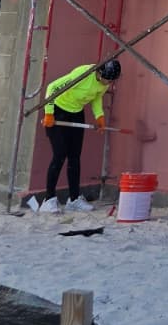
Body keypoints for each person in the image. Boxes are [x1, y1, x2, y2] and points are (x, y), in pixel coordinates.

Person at [26, 57, 121, 213]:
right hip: (58, 111)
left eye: (110, 81)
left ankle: (74, 199)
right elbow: (52, 88)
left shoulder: (105, 83)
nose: (107, 83)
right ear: (99, 73)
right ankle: (48, 200)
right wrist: (49, 113)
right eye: (106, 80)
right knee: (59, 155)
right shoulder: (83, 74)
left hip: (76, 113)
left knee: (75, 157)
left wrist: (100, 117)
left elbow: (96, 98)